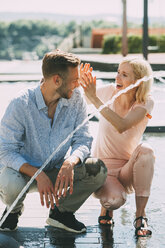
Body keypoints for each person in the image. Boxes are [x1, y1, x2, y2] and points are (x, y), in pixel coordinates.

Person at [0, 50, 107, 233]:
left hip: (57, 172)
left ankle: (61, 214)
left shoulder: (76, 98)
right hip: (24, 174)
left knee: (98, 170)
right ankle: (12, 211)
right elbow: (5, 151)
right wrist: (37, 174)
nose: (78, 84)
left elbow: (83, 138)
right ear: (56, 80)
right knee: (10, 182)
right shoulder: (20, 103)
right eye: (74, 79)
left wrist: (70, 162)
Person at [80, 57, 155, 237]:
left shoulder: (145, 102)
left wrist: (94, 99)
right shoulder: (108, 92)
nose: (117, 78)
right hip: (101, 170)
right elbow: (78, 99)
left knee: (146, 150)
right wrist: (76, 81)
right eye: (118, 72)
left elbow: (121, 125)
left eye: (124, 74)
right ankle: (106, 209)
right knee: (113, 200)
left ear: (138, 81)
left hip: (126, 170)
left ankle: (140, 216)